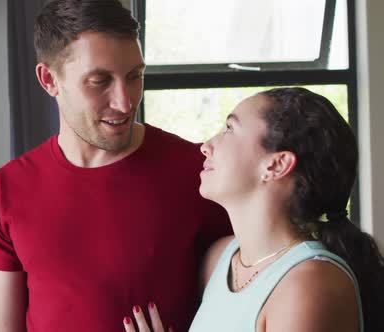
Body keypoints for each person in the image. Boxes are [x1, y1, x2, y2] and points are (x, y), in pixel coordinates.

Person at [0, 0, 231, 331]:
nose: (125, 102)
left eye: (134, 76)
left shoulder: (199, 173)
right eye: (100, 81)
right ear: (49, 79)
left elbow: (254, 298)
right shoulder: (9, 187)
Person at [123, 87, 384, 332]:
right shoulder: (220, 260)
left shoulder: (309, 284)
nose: (206, 146)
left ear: (277, 165)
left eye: (229, 129)